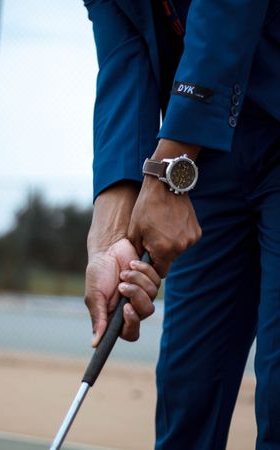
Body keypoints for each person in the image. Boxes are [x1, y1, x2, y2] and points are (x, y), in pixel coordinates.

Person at [82, 0, 280, 449]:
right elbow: (125, 58)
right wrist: (109, 237)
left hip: (194, 144)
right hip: (201, 161)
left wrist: (169, 168)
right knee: (187, 389)